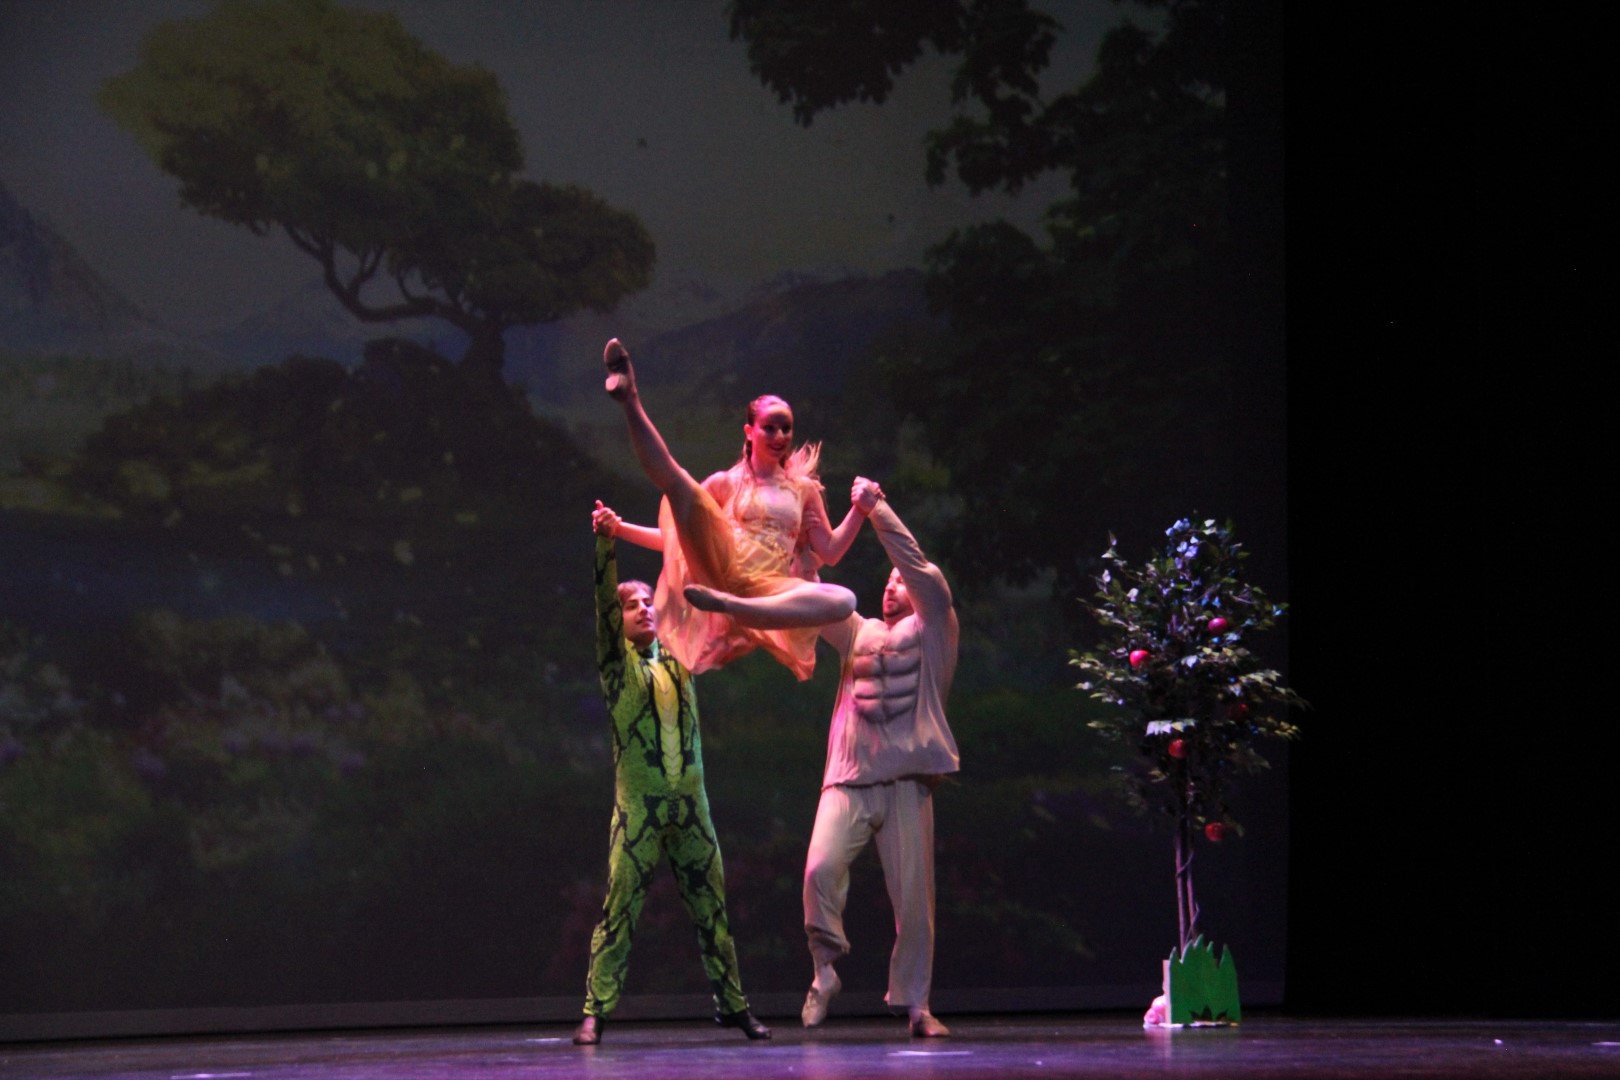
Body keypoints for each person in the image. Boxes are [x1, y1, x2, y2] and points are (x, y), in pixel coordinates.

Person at [572, 501, 770, 1046]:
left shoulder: (679, 657)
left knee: (712, 909)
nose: (642, 609)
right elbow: (603, 603)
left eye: (646, 602)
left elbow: (694, 586)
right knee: (620, 908)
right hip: (639, 809)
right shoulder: (618, 666)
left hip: (690, 806)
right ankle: (595, 1011)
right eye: (631, 605)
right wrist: (607, 543)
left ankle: (733, 1005)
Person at [600, 337, 869, 680]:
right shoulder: (726, 483)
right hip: (723, 566)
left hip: (769, 591)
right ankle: (630, 397)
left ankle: (733, 607)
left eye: (786, 428)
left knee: (844, 601)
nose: (779, 436)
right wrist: (620, 529)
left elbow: (829, 551)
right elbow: (678, 537)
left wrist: (860, 511)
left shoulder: (802, 489)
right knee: (677, 481)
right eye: (769, 428)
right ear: (749, 431)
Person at [798, 478, 961, 1038]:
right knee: (819, 869)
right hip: (849, 776)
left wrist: (876, 510)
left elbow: (919, 569)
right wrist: (798, 537)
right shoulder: (857, 632)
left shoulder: (934, 629)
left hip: (906, 780)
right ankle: (825, 970)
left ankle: (917, 1006)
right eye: (887, 581)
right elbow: (810, 598)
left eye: (899, 581)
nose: (892, 586)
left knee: (914, 900)